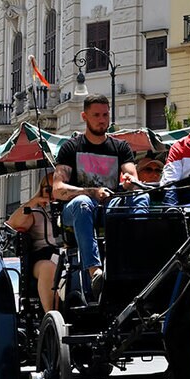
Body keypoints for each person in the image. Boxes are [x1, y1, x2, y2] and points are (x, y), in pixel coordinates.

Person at [52, 94, 141, 299]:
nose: (102, 120)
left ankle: (134, 256)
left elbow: (133, 179)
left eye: (106, 114)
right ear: (84, 116)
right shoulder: (70, 148)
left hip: (108, 208)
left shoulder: (121, 148)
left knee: (138, 199)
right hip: (75, 211)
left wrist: (129, 183)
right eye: (97, 115)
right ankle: (95, 271)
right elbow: (57, 189)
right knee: (83, 204)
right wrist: (91, 192)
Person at [5, 174, 58, 313]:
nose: (53, 193)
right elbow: (12, 224)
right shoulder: (36, 212)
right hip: (42, 258)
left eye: (57, 188)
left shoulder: (74, 208)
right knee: (48, 268)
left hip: (69, 256)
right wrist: (34, 201)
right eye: (48, 189)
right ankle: (52, 316)